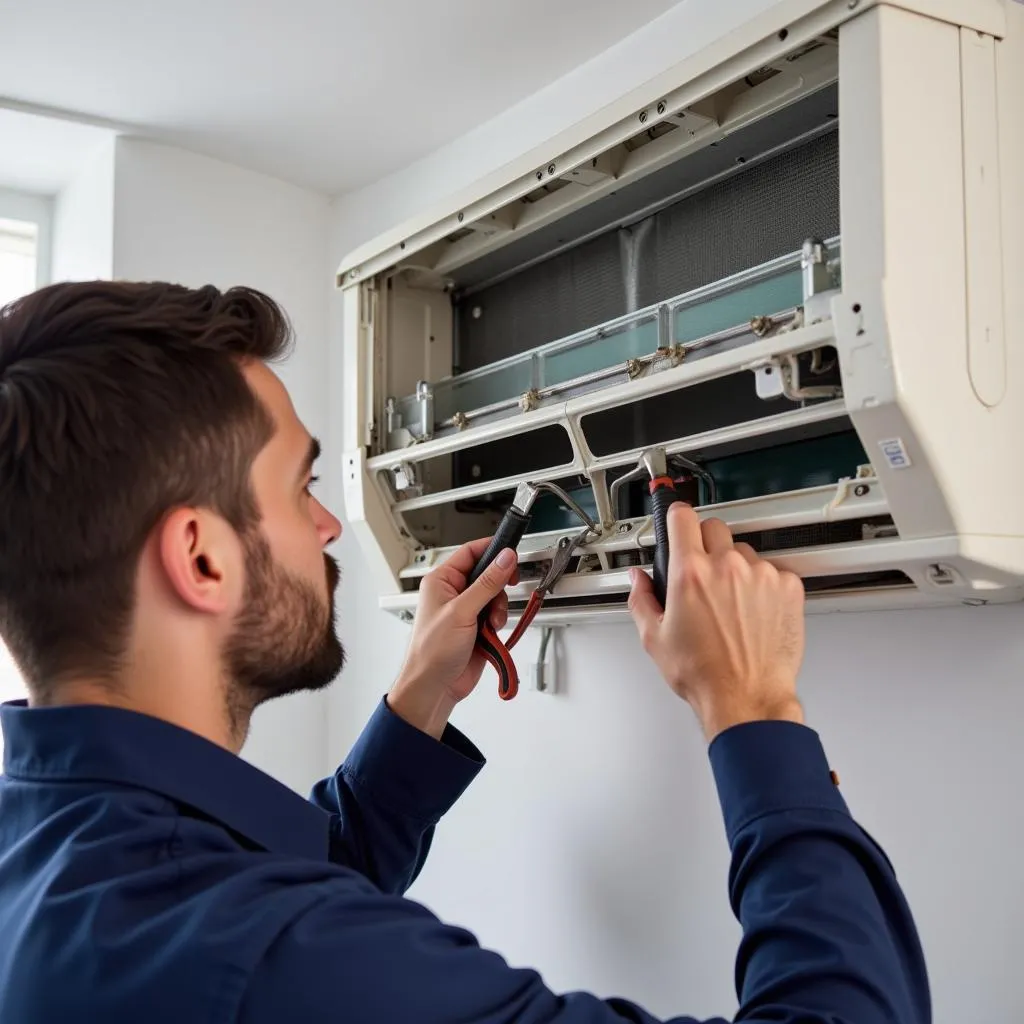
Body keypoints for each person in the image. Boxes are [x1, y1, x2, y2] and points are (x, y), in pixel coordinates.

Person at [0, 280, 930, 1024]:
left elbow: (280, 882)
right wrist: (754, 712)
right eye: (300, 488)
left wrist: (416, 702)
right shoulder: (278, 958)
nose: (329, 524)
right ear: (201, 556)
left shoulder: (47, 844)